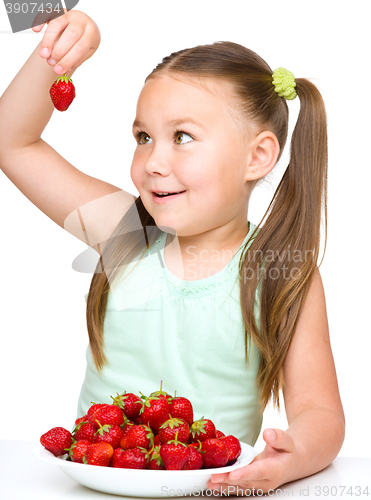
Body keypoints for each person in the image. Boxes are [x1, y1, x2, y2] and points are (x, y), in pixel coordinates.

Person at [0, 9, 345, 494]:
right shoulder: (125, 234)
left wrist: (293, 457)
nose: (152, 162)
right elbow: (12, 141)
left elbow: (320, 413)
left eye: (182, 137)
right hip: (92, 486)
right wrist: (57, 55)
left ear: (258, 156)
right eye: (143, 137)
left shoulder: (280, 275)